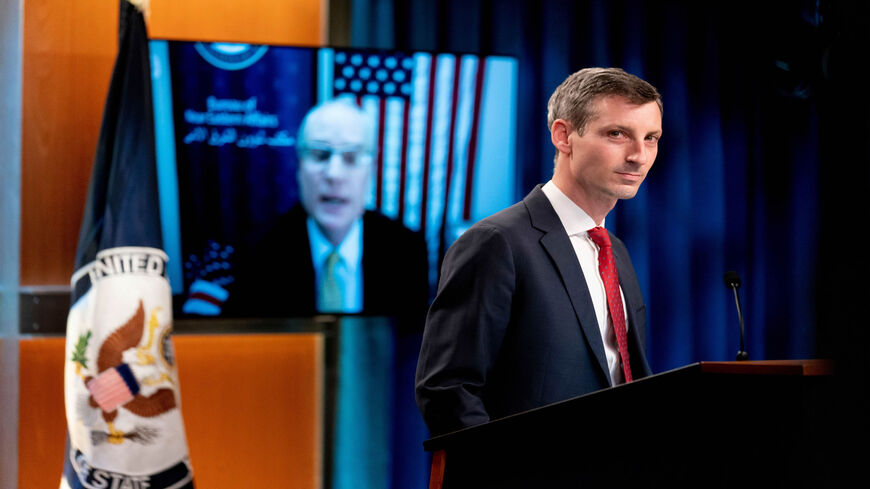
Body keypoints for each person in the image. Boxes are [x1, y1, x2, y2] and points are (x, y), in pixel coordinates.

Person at [415, 67, 662, 436]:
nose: (639, 156)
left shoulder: (615, 251)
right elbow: (448, 389)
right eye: (617, 134)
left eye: (651, 138)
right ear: (563, 136)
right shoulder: (497, 242)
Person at [225, 99, 429, 317]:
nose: (334, 174)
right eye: (320, 155)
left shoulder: (408, 251)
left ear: (370, 171)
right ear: (299, 167)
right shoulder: (257, 253)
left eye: (351, 157)